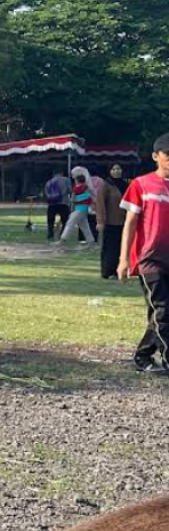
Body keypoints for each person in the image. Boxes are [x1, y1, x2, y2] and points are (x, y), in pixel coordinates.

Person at [118, 134, 169, 374]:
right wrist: (123, 260)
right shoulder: (141, 184)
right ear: (156, 157)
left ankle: (143, 355)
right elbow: (129, 224)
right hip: (149, 260)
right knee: (162, 309)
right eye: (167, 155)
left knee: (161, 312)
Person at [93, 164, 129, 279]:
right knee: (110, 248)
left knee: (122, 247)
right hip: (110, 222)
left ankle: (121, 270)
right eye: (113, 169)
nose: (116, 171)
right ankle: (108, 271)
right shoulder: (105, 185)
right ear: (109, 171)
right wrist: (100, 221)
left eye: (118, 168)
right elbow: (100, 204)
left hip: (124, 222)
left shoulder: (125, 184)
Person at [55, 167, 96, 246]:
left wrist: (73, 200)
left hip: (79, 209)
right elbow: (89, 198)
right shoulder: (87, 188)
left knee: (70, 223)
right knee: (84, 226)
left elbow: (73, 200)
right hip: (84, 208)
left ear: (76, 180)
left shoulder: (76, 188)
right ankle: (91, 241)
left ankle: (62, 240)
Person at [44, 169, 71, 240]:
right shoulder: (66, 180)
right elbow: (70, 190)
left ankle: (50, 235)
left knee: (50, 221)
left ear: (53, 174)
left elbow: (47, 193)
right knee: (65, 221)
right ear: (62, 173)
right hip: (63, 203)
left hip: (52, 204)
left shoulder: (49, 182)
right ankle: (62, 235)